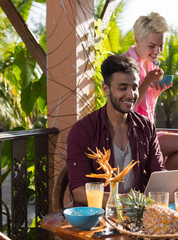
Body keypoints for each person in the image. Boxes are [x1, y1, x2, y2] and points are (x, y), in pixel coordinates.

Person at [66, 55, 165, 207]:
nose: (131, 95)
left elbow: (158, 175)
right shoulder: (83, 130)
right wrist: (123, 201)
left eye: (134, 87)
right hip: (98, 219)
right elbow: (79, 192)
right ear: (106, 89)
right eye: (123, 88)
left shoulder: (146, 127)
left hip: (136, 216)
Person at [123, 12, 178, 170]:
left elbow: (145, 108)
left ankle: (156, 184)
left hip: (148, 133)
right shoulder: (125, 64)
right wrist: (148, 81)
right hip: (130, 137)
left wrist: (156, 94)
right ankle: (157, 184)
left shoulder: (150, 66)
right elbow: (127, 104)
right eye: (152, 46)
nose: (157, 51)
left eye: (161, 46)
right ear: (137, 40)